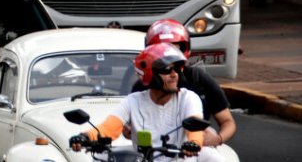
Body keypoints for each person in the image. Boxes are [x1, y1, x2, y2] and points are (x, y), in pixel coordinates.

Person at [70, 43, 224, 162]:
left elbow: (195, 129)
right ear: (151, 74)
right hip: (142, 159)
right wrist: (84, 137)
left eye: (176, 69)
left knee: (212, 157)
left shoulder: (188, 98)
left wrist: (194, 143)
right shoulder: (133, 101)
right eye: (167, 70)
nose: (174, 75)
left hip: (181, 159)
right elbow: (108, 128)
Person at [128, 19, 236, 149]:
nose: (173, 75)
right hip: (155, 149)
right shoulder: (140, 87)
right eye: (162, 49)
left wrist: (217, 139)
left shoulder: (198, 80)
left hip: (195, 148)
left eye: (174, 48)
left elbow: (227, 121)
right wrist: (130, 131)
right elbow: (128, 125)